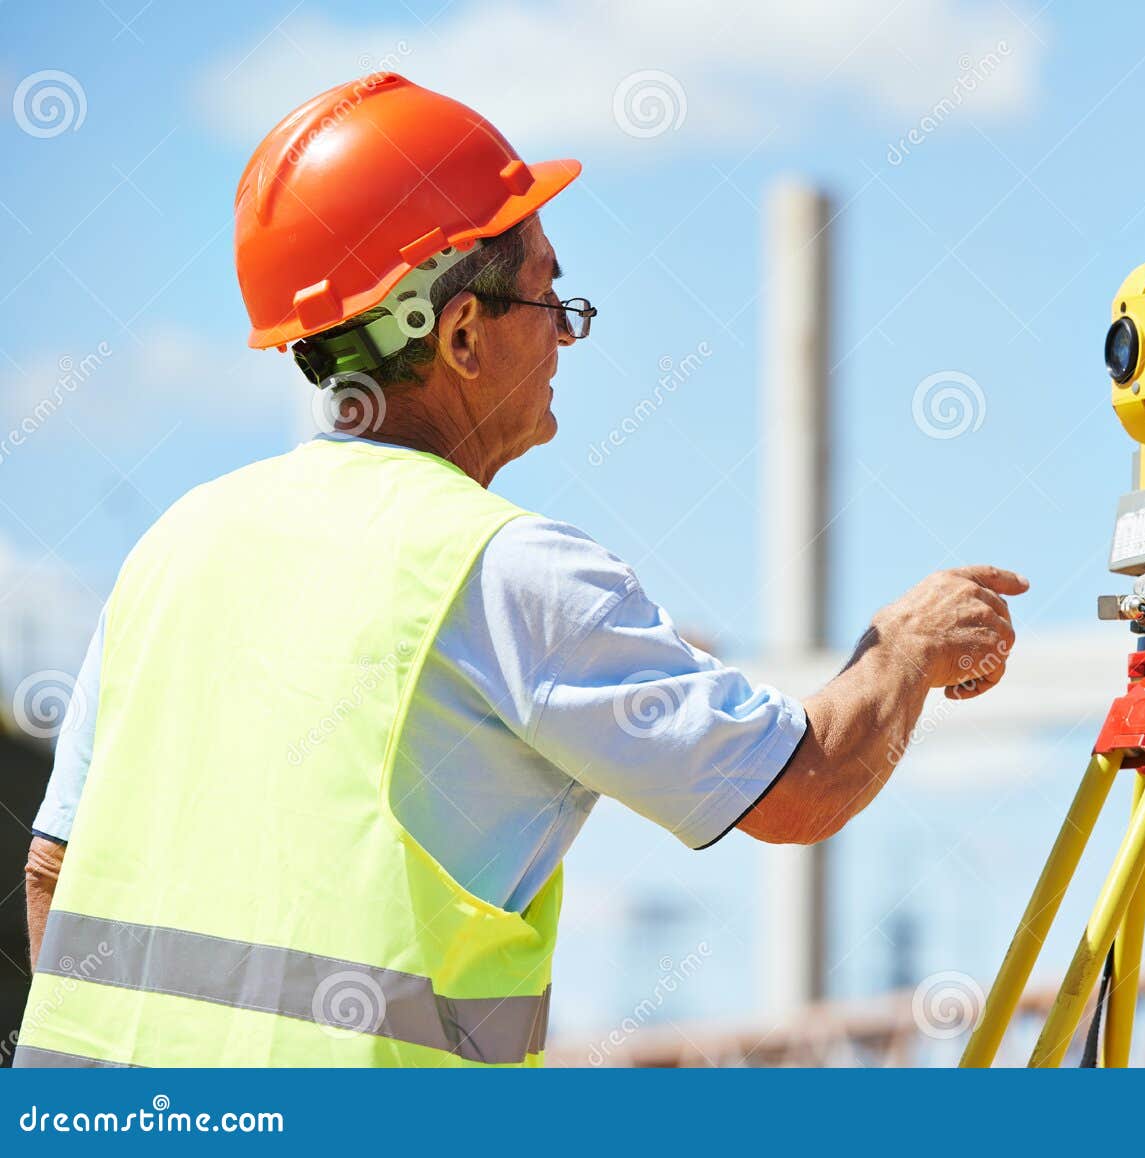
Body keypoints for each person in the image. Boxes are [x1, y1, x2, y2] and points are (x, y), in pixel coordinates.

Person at [17, 74, 1024, 1068]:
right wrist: (906, 650)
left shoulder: (176, 545)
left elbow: (52, 871)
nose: (566, 332)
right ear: (459, 334)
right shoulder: (507, 571)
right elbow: (803, 788)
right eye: (550, 296)